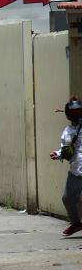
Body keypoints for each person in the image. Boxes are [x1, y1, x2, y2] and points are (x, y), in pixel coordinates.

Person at [50, 96, 82, 236]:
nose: (76, 115)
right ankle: (76, 223)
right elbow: (66, 149)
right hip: (76, 171)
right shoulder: (67, 131)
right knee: (67, 198)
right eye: (73, 113)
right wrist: (58, 154)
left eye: (78, 112)